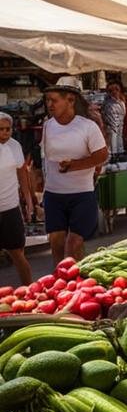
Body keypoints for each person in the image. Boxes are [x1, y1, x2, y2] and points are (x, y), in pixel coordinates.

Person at [41, 80, 108, 261]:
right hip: (54, 194)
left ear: (70, 100)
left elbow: (102, 156)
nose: (49, 105)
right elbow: (45, 158)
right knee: (56, 242)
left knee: (73, 243)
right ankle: (59, 282)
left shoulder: (87, 126)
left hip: (81, 194)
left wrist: (75, 165)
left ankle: (76, 282)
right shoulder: (47, 126)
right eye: (47, 100)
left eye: (54, 100)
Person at [0, 112, 34, 284]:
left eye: (8, 129)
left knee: (18, 253)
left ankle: (30, 291)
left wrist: (28, 201)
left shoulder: (15, 146)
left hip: (11, 208)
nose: (5, 133)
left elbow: (22, 174)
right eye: (1, 129)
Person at [102, 82, 127, 155]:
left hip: (119, 126)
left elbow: (123, 115)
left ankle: (120, 153)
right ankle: (114, 155)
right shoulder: (108, 103)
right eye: (111, 90)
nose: (114, 92)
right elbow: (109, 118)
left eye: (116, 89)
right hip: (111, 127)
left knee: (119, 140)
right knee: (113, 140)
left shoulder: (121, 102)